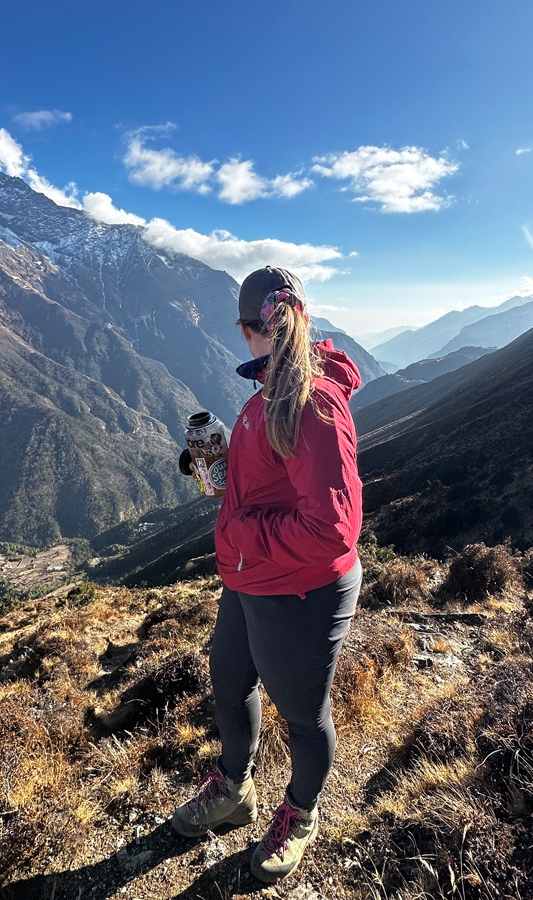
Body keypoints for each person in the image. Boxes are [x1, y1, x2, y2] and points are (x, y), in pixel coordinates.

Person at [171, 266, 364, 884]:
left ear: (249, 330)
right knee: (230, 681)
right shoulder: (276, 389)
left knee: (303, 716)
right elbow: (278, 480)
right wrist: (226, 469)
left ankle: (299, 816)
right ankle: (233, 789)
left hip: (301, 587)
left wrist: (241, 536)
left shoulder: (313, 403)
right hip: (252, 576)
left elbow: (333, 528)